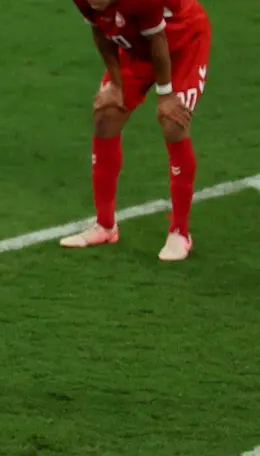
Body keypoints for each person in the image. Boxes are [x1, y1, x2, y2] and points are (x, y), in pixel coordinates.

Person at [59, 0, 211, 261]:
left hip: (183, 42)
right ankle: (105, 226)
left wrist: (165, 96)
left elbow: (159, 39)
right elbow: (100, 31)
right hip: (140, 44)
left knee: (173, 123)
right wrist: (115, 84)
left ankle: (180, 232)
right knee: (106, 116)